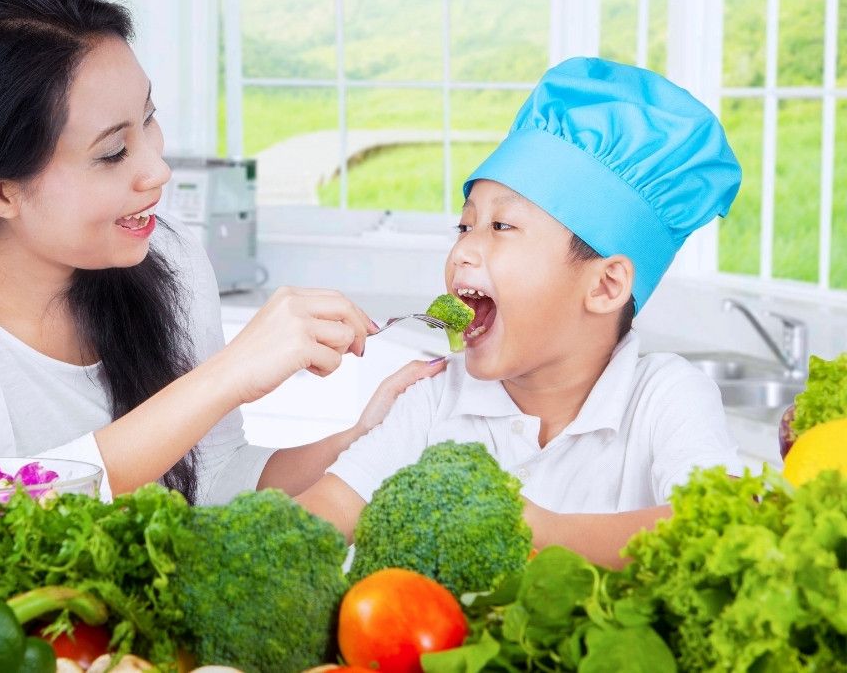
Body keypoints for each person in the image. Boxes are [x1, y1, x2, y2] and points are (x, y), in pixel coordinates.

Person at [0, 0, 445, 505]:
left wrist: (362, 439)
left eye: (148, 119)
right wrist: (225, 378)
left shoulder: (167, 258)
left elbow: (210, 480)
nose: (158, 169)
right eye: (113, 152)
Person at [296, 57, 744, 567]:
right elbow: (330, 505)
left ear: (605, 285)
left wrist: (532, 526)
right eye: (465, 227)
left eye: (502, 227)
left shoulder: (665, 396)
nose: (462, 251)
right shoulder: (433, 397)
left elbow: (718, 523)